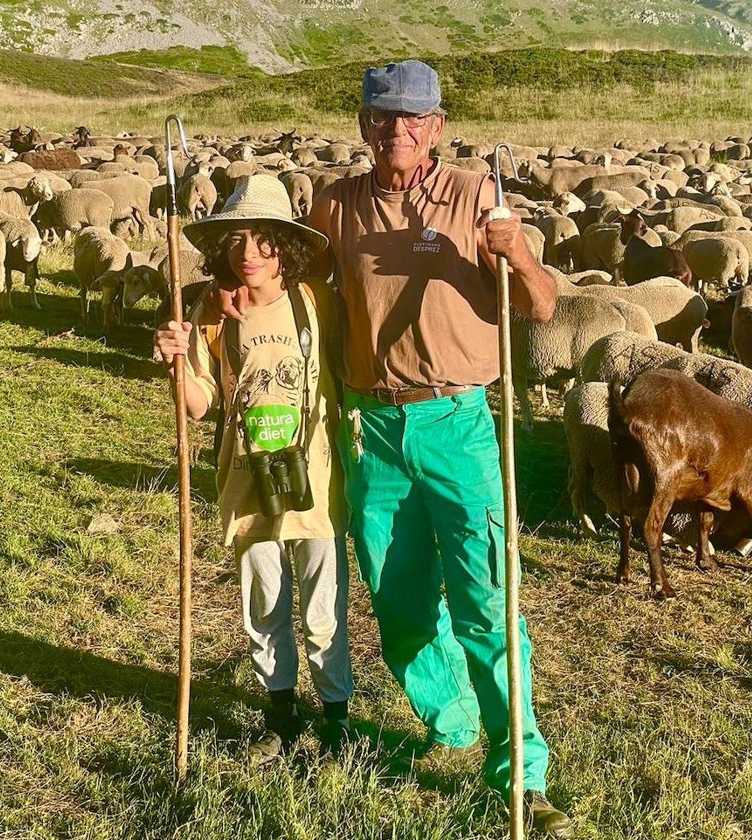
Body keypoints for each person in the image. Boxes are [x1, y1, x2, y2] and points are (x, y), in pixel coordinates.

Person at [215, 60, 572, 836]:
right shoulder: (336, 205)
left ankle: (523, 771)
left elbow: (542, 309)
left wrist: (516, 257)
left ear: (437, 127)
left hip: (458, 423)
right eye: (382, 120)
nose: (397, 133)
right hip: (370, 427)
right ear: (363, 126)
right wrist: (228, 315)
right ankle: (451, 717)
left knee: (488, 602)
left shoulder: (481, 197)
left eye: (413, 120)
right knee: (401, 608)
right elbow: (298, 295)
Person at [154, 174, 353, 765]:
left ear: (283, 246)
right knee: (263, 599)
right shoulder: (208, 314)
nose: (248, 254)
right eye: (236, 240)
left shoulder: (316, 302)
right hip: (245, 477)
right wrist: (175, 364)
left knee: (324, 604)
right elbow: (197, 404)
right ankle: (282, 714)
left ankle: (337, 717)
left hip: (314, 476)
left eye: (262, 240)